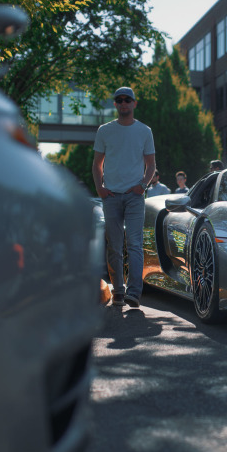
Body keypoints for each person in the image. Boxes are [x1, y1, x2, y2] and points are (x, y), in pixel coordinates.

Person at [92, 86, 156, 308]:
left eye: (127, 99)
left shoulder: (144, 131)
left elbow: (151, 165)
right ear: (115, 104)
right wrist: (100, 188)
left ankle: (134, 293)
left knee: (135, 244)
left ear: (134, 103)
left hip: (134, 197)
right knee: (114, 246)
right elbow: (97, 164)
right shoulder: (105, 130)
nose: (123, 103)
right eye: (119, 100)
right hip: (111, 196)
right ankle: (118, 291)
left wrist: (142, 185)